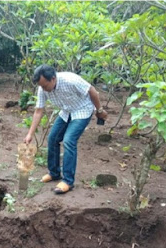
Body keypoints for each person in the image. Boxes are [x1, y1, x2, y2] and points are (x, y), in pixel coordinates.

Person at [24, 65, 108, 194]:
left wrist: (99, 110)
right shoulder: (43, 89)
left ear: (53, 79)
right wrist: (30, 134)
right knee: (52, 138)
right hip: (66, 111)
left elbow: (92, 91)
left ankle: (68, 181)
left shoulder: (70, 80)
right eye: (41, 86)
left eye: (45, 85)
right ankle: (54, 173)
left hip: (82, 110)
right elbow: (38, 111)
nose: (43, 89)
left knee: (69, 141)